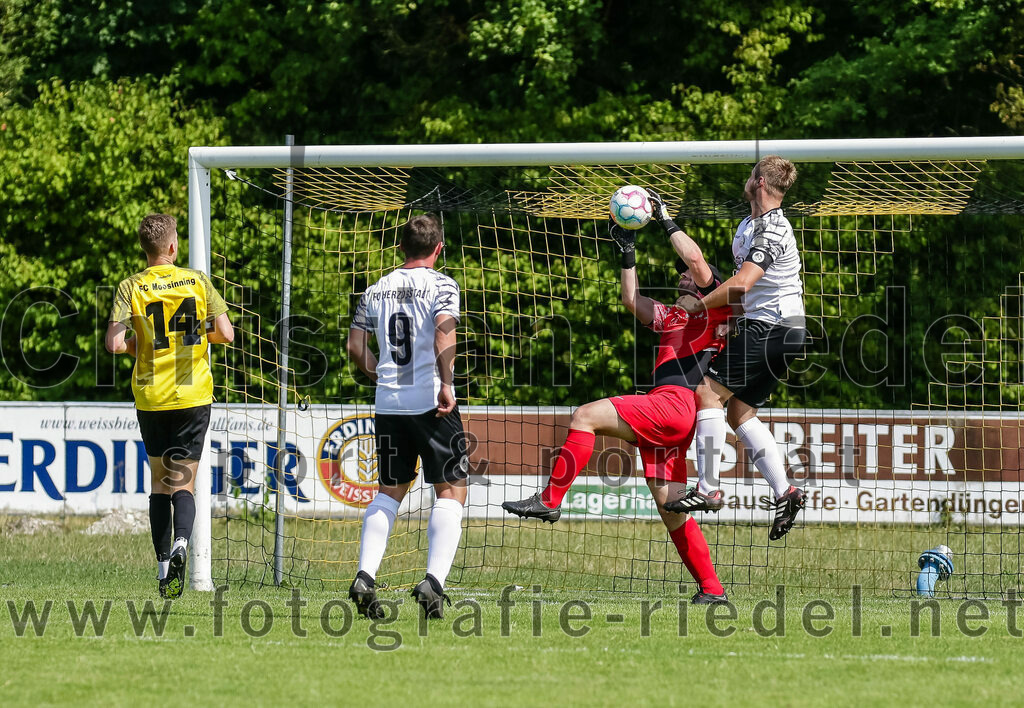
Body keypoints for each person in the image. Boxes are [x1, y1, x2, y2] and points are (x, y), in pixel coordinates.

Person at [502, 198, 732, 604]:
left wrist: (663, 219)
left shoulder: (710, 310)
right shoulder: (671, 317)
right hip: (671, 415)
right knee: (671, 510)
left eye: (686, 277)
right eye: (680, 277)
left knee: (585, 415)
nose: (681, 279)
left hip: (675, 404)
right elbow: (631, 299)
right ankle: (712, 590)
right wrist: (626, 250)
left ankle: (550, 500)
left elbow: (696, 260)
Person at [665, 155, 808, 542]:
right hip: (777, 328)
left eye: (750, 175)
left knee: (706, 395)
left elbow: (743, 282)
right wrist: (733, 321)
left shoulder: (774, 229)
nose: (746, 180)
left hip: (774, 326)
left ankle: (708, 489)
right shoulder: (748, 225)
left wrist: (701, 304)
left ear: (759, 182)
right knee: (740, 412)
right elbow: (749, 289)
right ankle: (787, 492)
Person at [346, 213, 469, 620]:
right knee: (451, 490)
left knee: (388, 492)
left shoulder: (375, 290)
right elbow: (443, 332)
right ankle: (433, 583)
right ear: (438, 249)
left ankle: (365, 575)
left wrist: (377, 372)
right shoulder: (443, 284)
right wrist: (447, 383)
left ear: (400, 248)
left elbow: (355, 347)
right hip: (431, 402)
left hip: (388, 404)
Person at [105, 213, 234, 599]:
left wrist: (139, 345)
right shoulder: (196, 280)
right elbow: (226, 333)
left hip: (151, 396)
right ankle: (182, 544)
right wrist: (194, 337)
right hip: (192, 395)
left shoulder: (131, 286)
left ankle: (164, 572)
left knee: (160, 483)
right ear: (174, 247)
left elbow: (114, 344)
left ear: (145, 249)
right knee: (185, 483)